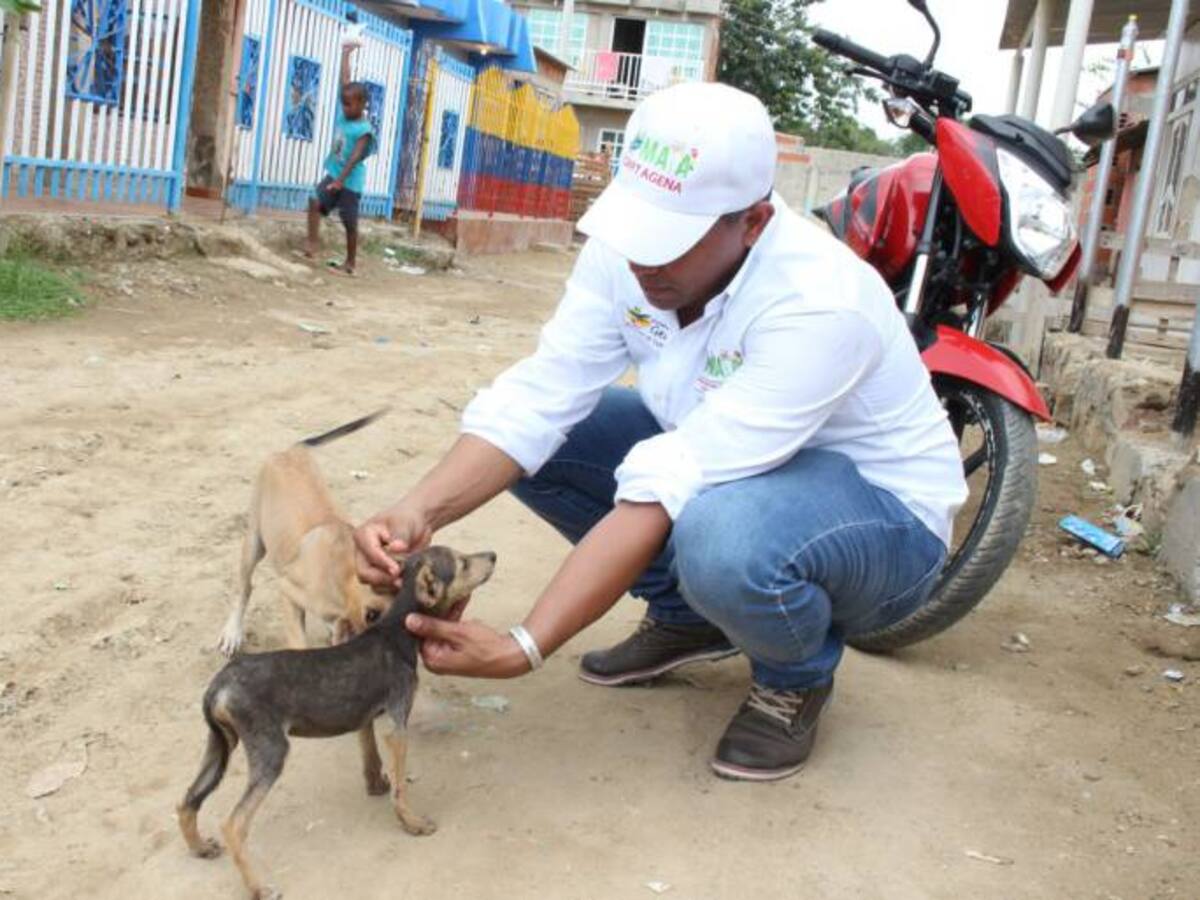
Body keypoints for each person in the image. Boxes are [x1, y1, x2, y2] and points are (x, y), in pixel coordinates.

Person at [355, 82, 968, 782]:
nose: (645, 261)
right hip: (730, 466)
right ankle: (687, 617)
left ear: (755, 222)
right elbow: (540, 396)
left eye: (670, 241)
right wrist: (417, 511)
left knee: (723, 535)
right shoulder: (626, 256)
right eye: (637, 230)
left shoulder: (820, 302)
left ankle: (793, 673)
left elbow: (674, 478)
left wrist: (528, 644)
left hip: (879, 521)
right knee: (556, 435)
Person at [304, 43, 375, 276]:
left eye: (349, 104)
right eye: (343, 103)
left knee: (349, 223)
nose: (344, 108)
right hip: (334, 174)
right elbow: (345, 80)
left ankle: (351, 263)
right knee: (314, 202)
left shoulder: (364, 129)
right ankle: (312, 244)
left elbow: (355, 157)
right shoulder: (346, 114)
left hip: (350, 183)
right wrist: (345, 54)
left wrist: (341, 181)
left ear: (362, 104)